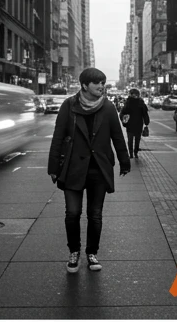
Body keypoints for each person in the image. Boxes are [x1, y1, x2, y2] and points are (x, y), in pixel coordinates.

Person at [48, 67, 130, 274]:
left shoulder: (108, 107)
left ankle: (92, 253)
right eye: (97, 83)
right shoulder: (69, 105)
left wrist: (124, 160)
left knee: (95, 214)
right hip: (73, 167)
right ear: (84, 85)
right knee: (72, 213)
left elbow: (117, 137)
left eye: (103, 82)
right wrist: (53, 167)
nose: (102, 86)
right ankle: (73, 252)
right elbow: (58, 137)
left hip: (98, 169)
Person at [120, 88, 150, 158]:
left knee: (131, 140)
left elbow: (122, 113)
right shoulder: (140, 103)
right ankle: (134, 153)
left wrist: (123, 120)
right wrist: (146, 122)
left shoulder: (128, 102)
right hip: (138, 124)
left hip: (131, 124)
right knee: (136, 139)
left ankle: (132, 153)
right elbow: (145, 114)